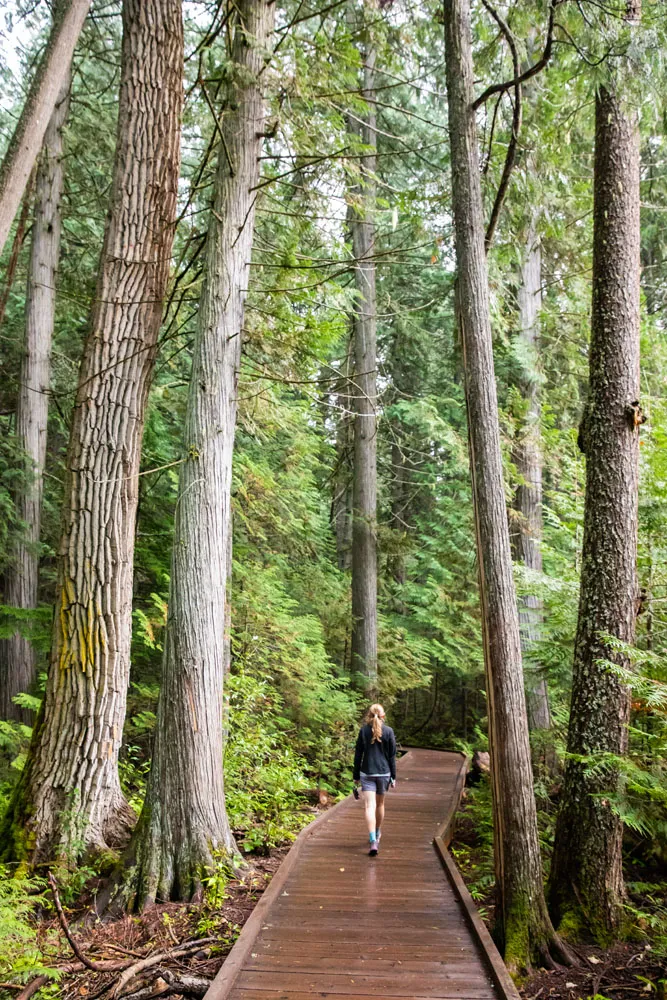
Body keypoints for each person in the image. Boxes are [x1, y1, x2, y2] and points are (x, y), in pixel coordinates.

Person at [353, 703, 397, 856]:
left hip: (367, 772)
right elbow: (392, 756)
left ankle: (372, 840)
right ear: (383, 715)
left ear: (369, 716)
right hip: (384, 773)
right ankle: (377, 833)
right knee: (380, 804)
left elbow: (358, 754)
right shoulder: (389, 731)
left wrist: (356, 776)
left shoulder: (363, 731)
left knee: (369, 806)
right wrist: (393, 776)